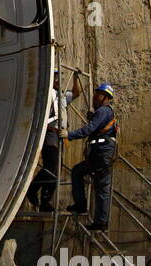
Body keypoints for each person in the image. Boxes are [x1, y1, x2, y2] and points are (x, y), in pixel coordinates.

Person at [65, 82, 118, 230]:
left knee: (83, 175)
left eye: (97, 94)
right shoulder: (106, 112)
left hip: (101, 155)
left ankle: (83, 207)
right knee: (101, 188)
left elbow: (89, 129)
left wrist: (69, 135)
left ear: (104, 97)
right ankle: (100, 221)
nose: (94, 97)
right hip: (101, 155)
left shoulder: (103, 112)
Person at [30, 70, 83, 211]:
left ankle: (45, 201)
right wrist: (50, 129)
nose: (59, 81)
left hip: (60, 135)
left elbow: (76, 93)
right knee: (51, 166)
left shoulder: (61, 96)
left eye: (59, 78)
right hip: (50, 134)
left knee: (56, 169)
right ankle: (32, 189)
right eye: (56, 78)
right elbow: (39, 117)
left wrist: (76, 79)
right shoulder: (45, 96)